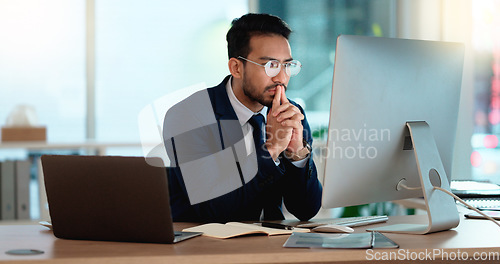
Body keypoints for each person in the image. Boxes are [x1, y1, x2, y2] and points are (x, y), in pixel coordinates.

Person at [163, 13, 322, 223]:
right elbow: (213, 211)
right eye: (271, 65)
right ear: (236, 68)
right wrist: (272, 150)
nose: (281, 78)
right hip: (204, 246)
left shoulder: (291, 112)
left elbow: (305, 210)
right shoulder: (188, 116)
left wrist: (297, 154)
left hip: (272, 246)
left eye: (287, 66)